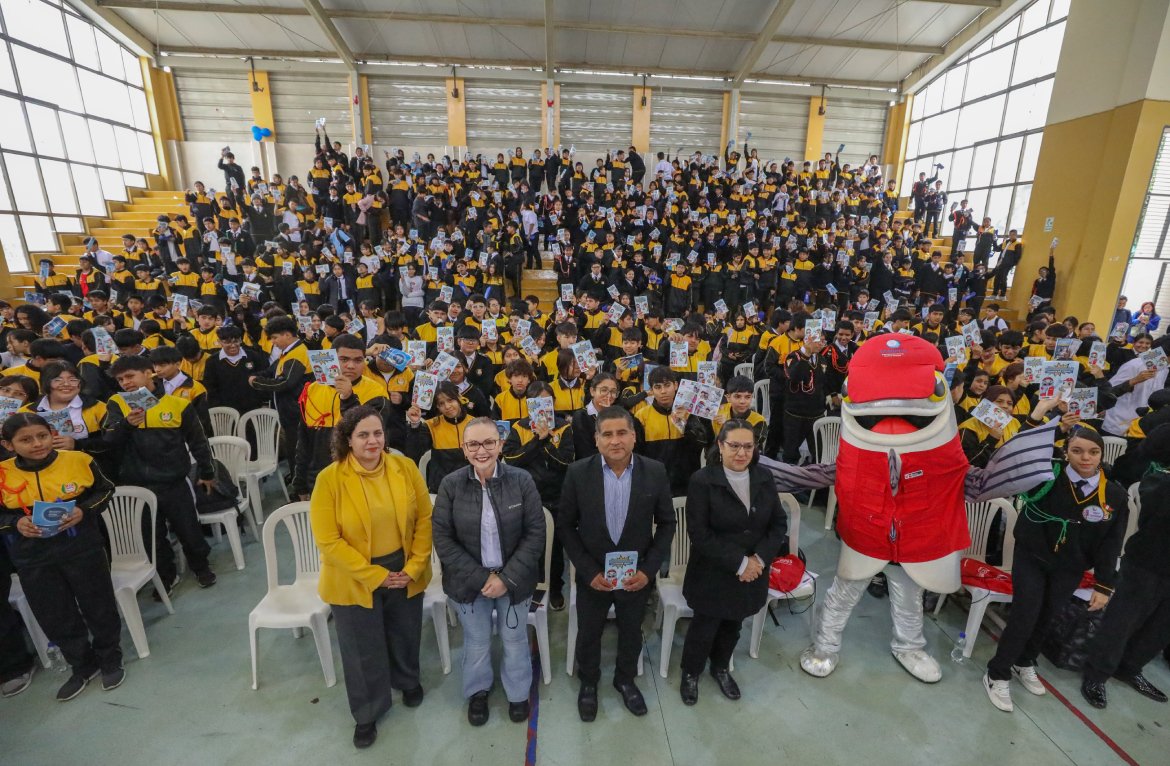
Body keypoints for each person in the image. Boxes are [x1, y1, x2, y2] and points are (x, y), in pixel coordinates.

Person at [309, 406, 433, 749]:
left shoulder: (404, 468)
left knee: (405, 631)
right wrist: (374, 575)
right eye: (363, 435)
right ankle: (367, 712)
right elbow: (328, 541)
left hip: (403, 568)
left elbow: (425, 518)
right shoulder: (329, 479)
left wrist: (414, 567)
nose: (372, 441)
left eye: (377, 433)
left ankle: (407, 680)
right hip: (353, 575)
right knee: (362, 647)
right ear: (347, 440)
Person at [983, 427, 1128, 713]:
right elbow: (1012, 463)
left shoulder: (1114, 495)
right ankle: (997, 672)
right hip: (1032, 557)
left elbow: (1111, 543)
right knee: (1025, 614)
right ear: (1065, 452)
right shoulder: (1046, 476)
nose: (1085, 458)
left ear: (1101, 454)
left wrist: (1103, 584)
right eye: (1077, 451)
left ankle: (1024, 661)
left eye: (1093, 452)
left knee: (1047, 616)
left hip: (1070, 566)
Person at [559, 406, 676, 722]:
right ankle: (588, 681)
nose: (615, 441)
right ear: (596, 439)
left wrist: (648, 571)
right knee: (589, 631)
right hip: (593, 574)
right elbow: (566, 526)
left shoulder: (655, 472)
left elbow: (667, 523)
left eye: (622, 433)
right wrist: (588, 571)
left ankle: (625, 679)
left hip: (636, 576)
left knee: (631, 630)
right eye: (607, 434)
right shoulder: (578, 473)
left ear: (634, 437)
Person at [431, 416, 546, 726]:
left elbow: (535, 533)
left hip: (515, 581)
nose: (481, 451)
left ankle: (518, 693)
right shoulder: (451, 484)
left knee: (514, 638)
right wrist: (483, 578)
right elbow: (443, 539)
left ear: (500, 445)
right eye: (473, 444)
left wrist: (506, 579)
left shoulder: (521, 480)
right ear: (463, 448)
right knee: (477, 640)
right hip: (469, 583)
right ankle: (477, 691)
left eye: (488, 443)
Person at [0, 413, 122, 701]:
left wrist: (83, 510)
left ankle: (110, 658)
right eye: (26, 440)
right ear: (8, 445)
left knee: (98, 604)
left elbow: (106, 490)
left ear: (52, 433)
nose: (37, 444)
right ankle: (82, 665)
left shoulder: (78, 460)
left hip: (82, 548)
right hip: (32, 557)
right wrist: (15, 522)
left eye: (42, 436)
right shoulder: (3, 473)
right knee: (55, 614)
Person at [678, 420, 787, 705]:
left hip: (752, 572)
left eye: (748, 446)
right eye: (734, 445)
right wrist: (741, 564)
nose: (741, 453)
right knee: (704, 627)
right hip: (713, 571)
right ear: (721, 445)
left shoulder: (763, 477)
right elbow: (699, 534)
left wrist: (758, 559)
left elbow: (778, 524)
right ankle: (691, 673)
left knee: (733, 625)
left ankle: (720, 667)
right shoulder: (703, 480)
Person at [103, 355, 219, 593]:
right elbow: (109, 440)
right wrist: (127, 424)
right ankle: (167, 575)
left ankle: (200, 567)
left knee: (188, 528)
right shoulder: (116, 403)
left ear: (149, 373)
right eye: (120, 379)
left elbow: (198, 441)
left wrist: (207, 471)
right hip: (138, 484)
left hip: (173, 481)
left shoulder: (177, 404)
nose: (125, 383)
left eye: (130, 376)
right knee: (152, 536)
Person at [1080, 424, 1170, 709]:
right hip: (1149, 558)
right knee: (1123, 618)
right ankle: (1097, 672)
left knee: (1161, 626)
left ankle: (1130, 667)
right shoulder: (1159, 480)